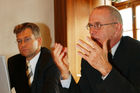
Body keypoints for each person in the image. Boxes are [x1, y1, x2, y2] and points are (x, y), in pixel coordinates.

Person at [52, 5, 140, 93]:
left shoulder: (136, 51)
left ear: (117, 28)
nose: (91, 31)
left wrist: (106, 70)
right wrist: (65, 73)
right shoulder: (90, 57)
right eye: (90, 26)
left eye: (98, 25)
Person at [8, 22, 60, 93]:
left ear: (39, 41)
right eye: (19, 41)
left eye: (27, 39)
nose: (22, 45)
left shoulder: (52, 61)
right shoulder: (14, 62)